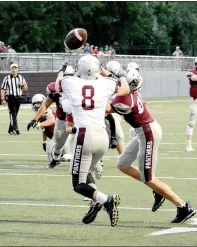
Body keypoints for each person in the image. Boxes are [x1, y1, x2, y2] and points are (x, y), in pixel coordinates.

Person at [107, 68, 196, 223]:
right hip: (144, 131)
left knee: (148, 178)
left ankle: (183, 206)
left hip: (148, 133)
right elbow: (119, 83)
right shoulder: (130, 91)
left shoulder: (124, 101)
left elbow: (103, 110)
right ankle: (158, 189)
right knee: (122, 164)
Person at [58, 54, 130, 227]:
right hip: (102, 136)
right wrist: (117, 73)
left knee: (78, 184)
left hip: (85, 135)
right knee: (87, 171)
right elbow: (126, 89)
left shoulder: (70, 82)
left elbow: (58, 82)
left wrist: (62, 69)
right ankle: (95, 201)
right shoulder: (106, 83)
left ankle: (106, 200)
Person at [27, 66, 75, 169]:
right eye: (66, 76)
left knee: (85, 140)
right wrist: (35, 119)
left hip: (78, 118)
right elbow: (45, 104)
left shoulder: (79, 87)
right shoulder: (55, 89)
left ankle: (96, 161)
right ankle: (56, 159)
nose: (68, 79)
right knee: (58, 143)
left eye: (70, 76)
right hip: (62, 119)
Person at [30, 93, 72, 163]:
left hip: (63, 136)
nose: (36, 105)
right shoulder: (40, 114)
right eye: (35, 103)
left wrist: (39, 124)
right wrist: (44, 142)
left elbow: (51, 121)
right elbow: (44, 129)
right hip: (58, 136)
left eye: (38, 103)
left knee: (67, 156)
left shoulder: (47, 110)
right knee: (54, 153)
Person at [1, 63, 28, 135]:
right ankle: (16, 129)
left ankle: (10, 130)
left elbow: (25, 89)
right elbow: (3, 89)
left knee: (14, 115)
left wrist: (22, 85)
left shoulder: (21, 78)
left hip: (18, 98)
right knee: (13, 113)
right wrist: (3, 99)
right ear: (10, 70)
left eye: (15, 68)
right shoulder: (7, 78)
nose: (14, 70)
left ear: (17, 69)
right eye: (12, 68)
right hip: (11, 97)